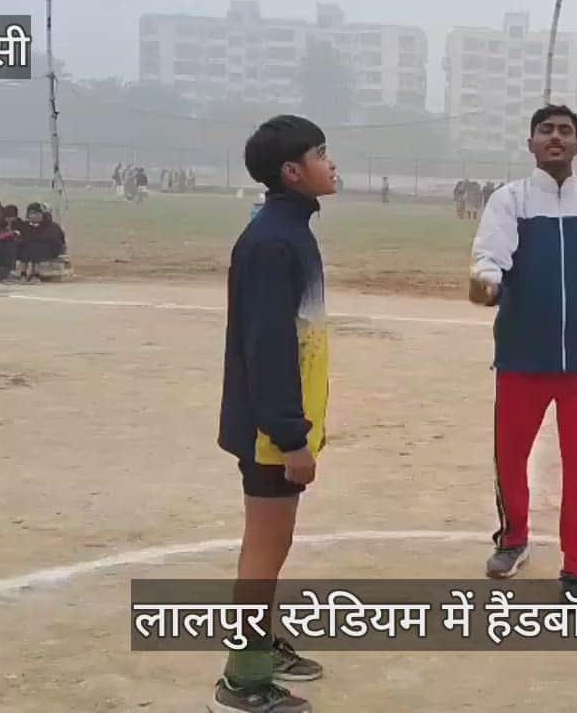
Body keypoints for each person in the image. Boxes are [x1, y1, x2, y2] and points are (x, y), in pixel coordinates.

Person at [469, 104, 577, 602]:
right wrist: (486, 282)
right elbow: (491, 256)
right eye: (545, 130)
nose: (555, 137)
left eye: (565, 131)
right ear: (531, 143)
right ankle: (513, 540)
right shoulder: (510, 201)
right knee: (510, 459)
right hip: (521, 358)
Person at [216, 115, 336, 713]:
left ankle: (261, 644)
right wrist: (290, 435)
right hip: (271, 429)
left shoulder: (290, 231)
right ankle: (242, 681)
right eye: (321, 154)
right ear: (292, 171)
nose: (331, 164)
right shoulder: (271, 242)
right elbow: (268, 347)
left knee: (273, 544)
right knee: (265, 548)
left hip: (280, 422)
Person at [17, 202, 67, 283]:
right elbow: (23, 238)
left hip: (50, 249)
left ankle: (36, 275)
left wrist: (32, 239)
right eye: (32, 213)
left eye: (37, 213)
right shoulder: (26, 225)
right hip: (30, 248)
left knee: (35, 247)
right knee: (27, 247)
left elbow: (52, 239)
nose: (35, 215)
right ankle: (23, 274)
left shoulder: (51, 225)